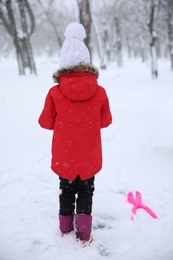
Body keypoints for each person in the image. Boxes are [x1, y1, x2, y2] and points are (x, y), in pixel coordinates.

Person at [38, 22, 112, 244]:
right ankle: (84, 234)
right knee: (87, 191)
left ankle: (64, 229)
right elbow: (106, 120)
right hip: (89, 156)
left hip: (65, 156)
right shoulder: (99, 92)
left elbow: (45, 123)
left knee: (66, 189)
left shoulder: (55, 92)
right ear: (86, 62)